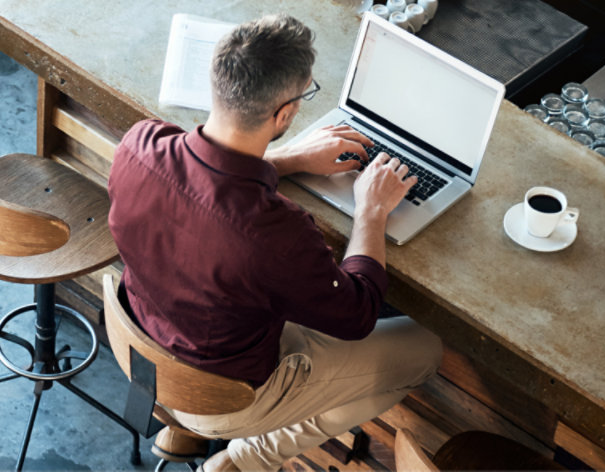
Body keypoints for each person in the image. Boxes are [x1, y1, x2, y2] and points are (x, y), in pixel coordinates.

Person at [107, 14, 443, 472]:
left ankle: (193, 435)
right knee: (424, 349)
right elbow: (358, 314)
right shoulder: (276, 234)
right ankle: (247, 459)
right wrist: (371, 210)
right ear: (284, 114)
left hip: (143, 346)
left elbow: (211, 183)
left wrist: (290, 159)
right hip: (225, 394)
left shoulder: (139, 143)